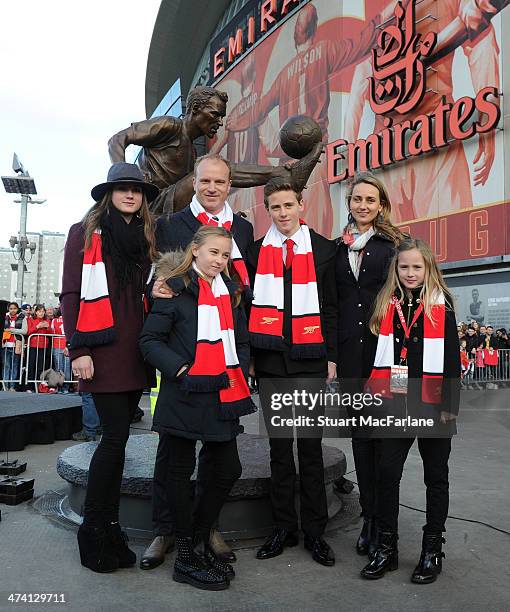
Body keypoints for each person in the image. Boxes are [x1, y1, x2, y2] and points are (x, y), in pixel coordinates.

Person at [143, 153, 255, 570]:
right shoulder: (172, 226)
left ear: (230, 185)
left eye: (220, 182)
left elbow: (241, 294)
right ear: (194, 181)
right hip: (184, 365)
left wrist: (239, 366)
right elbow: (157, 290)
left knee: (219, 460)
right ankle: (167, 528)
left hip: (224, 372)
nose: (212, 188)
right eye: (205, 180)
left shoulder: (241, 228)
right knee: (173, 457)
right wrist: (161, 287)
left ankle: (204, 527)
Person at [60, 162, 158, 573]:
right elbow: (71, 293)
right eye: (122, 189)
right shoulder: (83, 233)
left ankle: (110, 529)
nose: (131, 195)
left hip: (136, 349)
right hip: (100, 349)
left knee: (118, 440)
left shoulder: (146, 237)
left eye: (136, 189)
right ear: (109, 193)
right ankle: (94, 532)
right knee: (114, 439)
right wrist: (79, 347)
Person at [247, 180, 337, 567]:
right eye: (275, 207)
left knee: (311, 449)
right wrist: (250, 356)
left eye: (288, 205)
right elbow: (246, 307)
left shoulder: (325, 250)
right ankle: (283, 526)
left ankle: (315, 531)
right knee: (279, 450)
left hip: (311, 360)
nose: (283, 213)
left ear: (301, 204)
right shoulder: (254, 252)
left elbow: (332, 307)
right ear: (269, 211)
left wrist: (332, 356)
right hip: (270, 361)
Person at [361, 238, 460, 583]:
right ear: (396, 269)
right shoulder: (388, 302)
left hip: (434, 402)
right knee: (386, 472)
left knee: (436, 476)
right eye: (404, 267)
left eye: (417, 266)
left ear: (428, 268)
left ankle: (432, 548)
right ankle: (387, 548)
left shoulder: (441, 303)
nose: (410, 273)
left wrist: (450, 404)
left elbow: (451, 357)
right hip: (396, 399)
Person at [335, 172, 405, 558]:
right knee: (362, 441)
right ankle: (369, 517)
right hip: (351, 359)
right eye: (357, 199)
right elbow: (332, 304)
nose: (362, 205)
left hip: (390, 358)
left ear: (382, 206)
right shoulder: (337, 246)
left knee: (387, 442)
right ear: (349, 203)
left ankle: (386, 522)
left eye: (370, 200)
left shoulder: (395, 246)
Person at [26, 304, 52, 392]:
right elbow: (28, 332)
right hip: (33, 345)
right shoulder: (30, 319)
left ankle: (38, 386)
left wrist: (47, 327)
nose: (41, 313)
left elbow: (50, 333)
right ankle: (29, 387)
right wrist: (37, 326)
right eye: (39, 311)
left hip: (43, 346)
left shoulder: (47, 320)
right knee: (31, 366)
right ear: (35, 312)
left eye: (42, 311)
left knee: (40, 367)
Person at [2, 302, 27, 391]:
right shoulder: (4, 317)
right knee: (6, 366)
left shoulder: (22, 317)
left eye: (14, 308)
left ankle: (12, 386)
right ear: (8, 309)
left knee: (15, 366)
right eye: (11, 308)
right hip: (5, 345)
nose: (13, 310)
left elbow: (24, 331)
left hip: (16, 345)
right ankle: (5, 386)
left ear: (17, 309)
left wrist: (12, 330)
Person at [51, 307, 71, 392]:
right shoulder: (70, 320)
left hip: (57, 344)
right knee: (67, 367)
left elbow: (52, 331)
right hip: (67, 345)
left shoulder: (54, 321)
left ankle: (59, 387)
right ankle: (66, 387)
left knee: (59, 367)